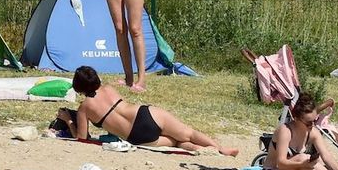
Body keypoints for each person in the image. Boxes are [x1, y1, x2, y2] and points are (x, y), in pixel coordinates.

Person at [71, 66, 239, 156]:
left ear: (79, 87)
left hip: (137, 137)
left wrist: (68, 120)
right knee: (188, 132)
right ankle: (220, 148)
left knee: (176, 142)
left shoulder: (84, 108)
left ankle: (197, 149)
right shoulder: (108, 88)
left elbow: (82, 138)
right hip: (144, 114)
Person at [259, 93, 338, 170]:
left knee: (314, 161)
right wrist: (302, 164)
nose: (312, 124)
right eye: (309, 122)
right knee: (304, 158)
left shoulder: (312, 131)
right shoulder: (285, 131)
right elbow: (281, 163)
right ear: (296, 119)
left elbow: (326, 156)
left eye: (315, 120)